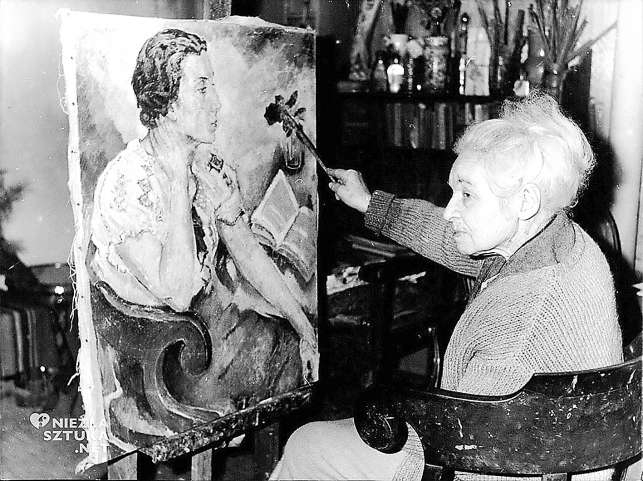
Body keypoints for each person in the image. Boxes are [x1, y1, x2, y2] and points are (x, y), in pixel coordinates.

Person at [271, 93, 623, 481]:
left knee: (306, 444)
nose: (451, 210)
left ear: (525, 201)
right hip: (546, 444)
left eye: (467, 195)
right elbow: (445, 236)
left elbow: (472, 465)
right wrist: (371, 204)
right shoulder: (562, 241)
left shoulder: (519, 330)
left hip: (486, 458)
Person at [90, 29, 317, 405]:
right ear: (167, 102)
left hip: (209, 327)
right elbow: (178, 294)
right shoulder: (127, 183)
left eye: (213, 86)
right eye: (202, 89)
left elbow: (247, 251)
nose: (217, 104)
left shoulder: (209, 167)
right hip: (160, 357)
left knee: (294, 348)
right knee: (284, 371)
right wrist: (179, 180)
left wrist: (303, 325)